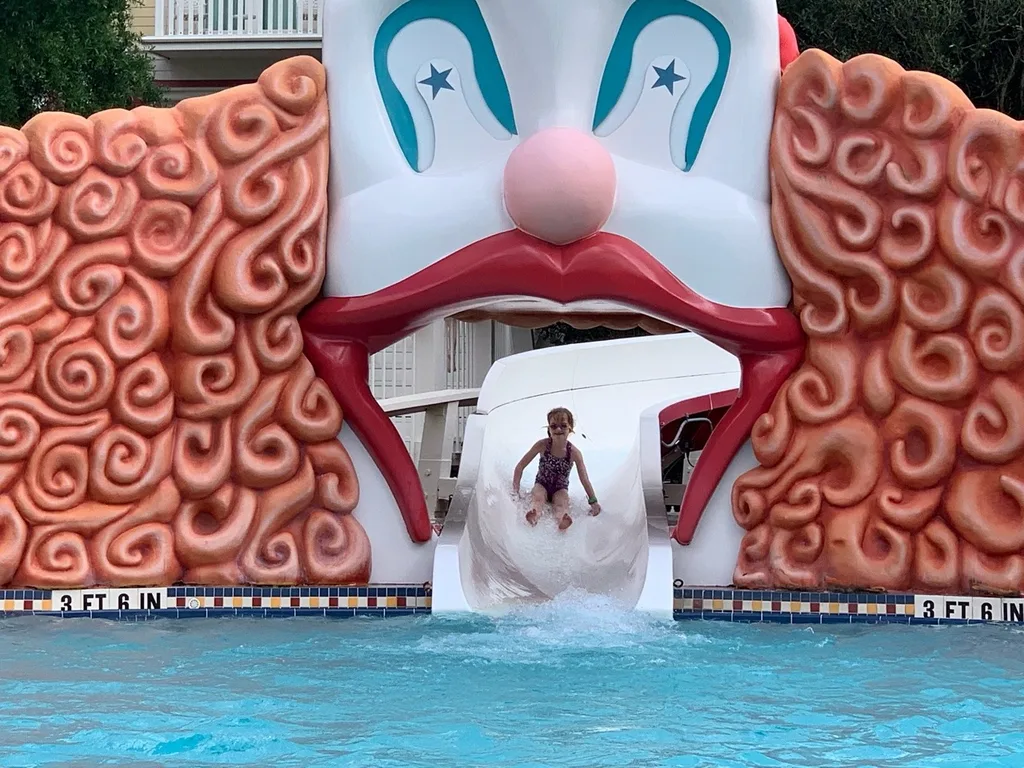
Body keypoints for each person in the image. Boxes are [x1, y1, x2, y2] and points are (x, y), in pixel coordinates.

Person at [512, 407, 601, 531]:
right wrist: (515, 491)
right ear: (548, 428)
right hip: (541, 484)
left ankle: (562, 519)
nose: (558, 429)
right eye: (554, 426)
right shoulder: (542, 445)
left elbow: (584, 479)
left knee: (562, 502)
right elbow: (520, 466)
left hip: (560, 488)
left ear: (570, 428)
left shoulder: (574, 453)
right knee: (538, 497)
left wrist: (593, 501)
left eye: (563, 426)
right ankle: (534, 513)